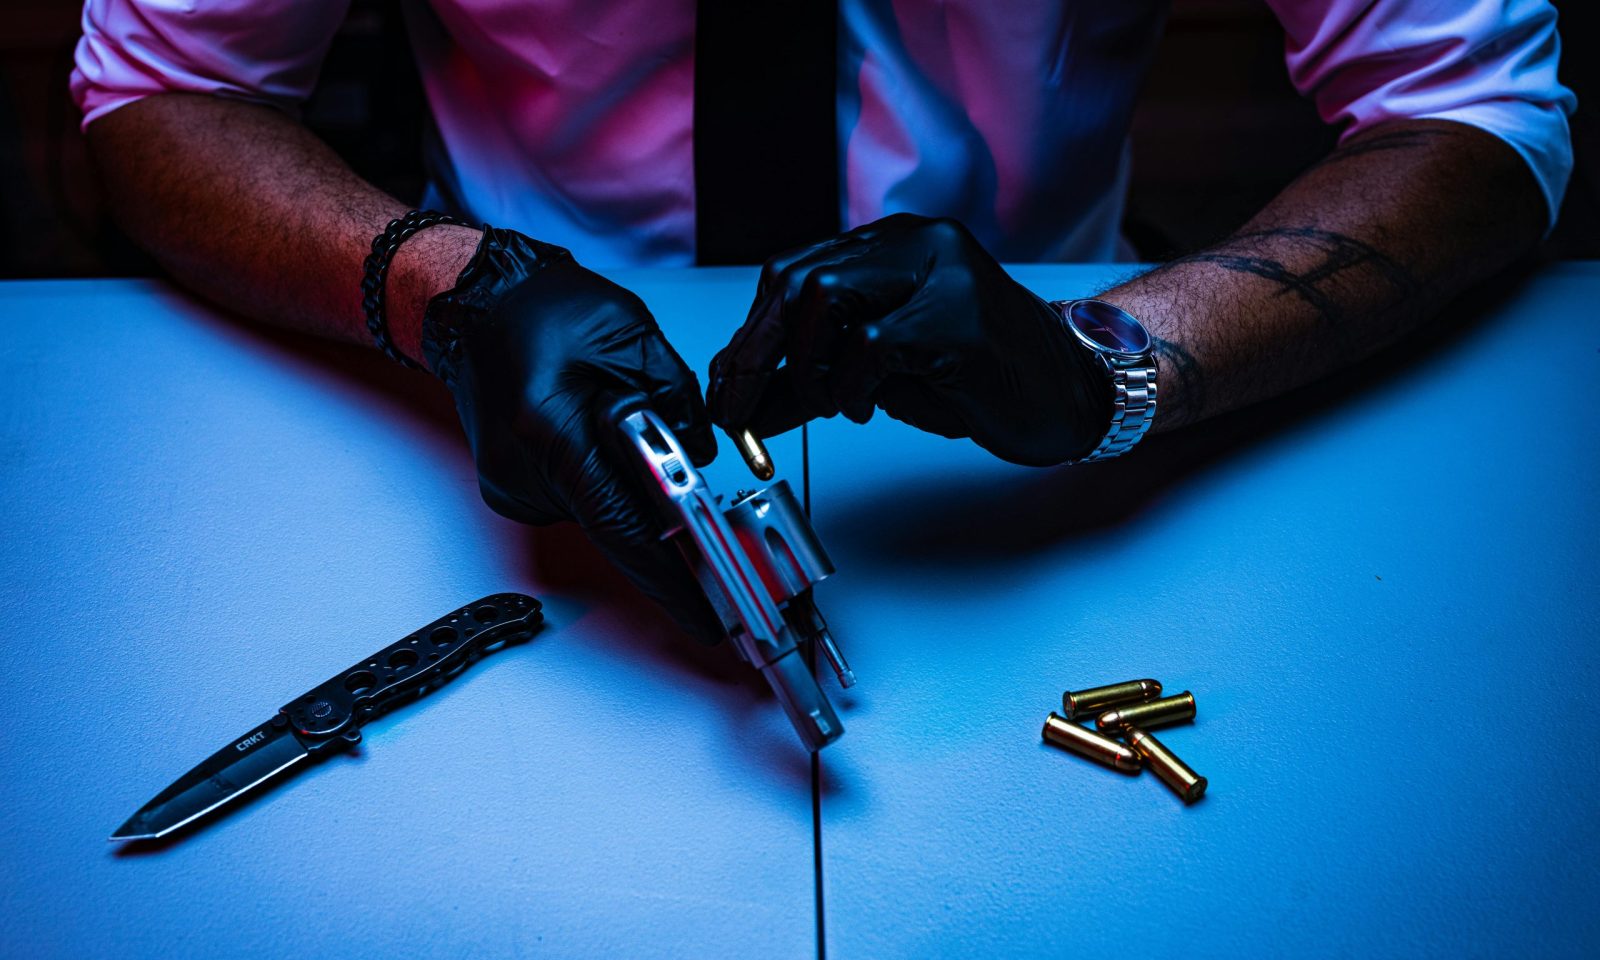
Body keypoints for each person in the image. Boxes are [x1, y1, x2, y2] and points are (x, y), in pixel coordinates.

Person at [72, 1, 1574, 640]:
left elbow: (1470, 115)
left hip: (1046, 386)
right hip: (489, 386)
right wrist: (444, 291)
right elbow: (159, 91)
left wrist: (1113, 361)